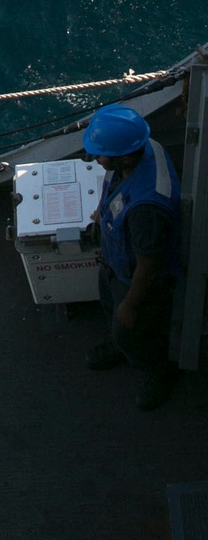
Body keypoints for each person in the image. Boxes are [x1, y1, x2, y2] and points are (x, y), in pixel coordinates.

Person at [84, 104, 181, 410]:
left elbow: (149, 268)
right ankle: (120, 345)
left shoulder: (147, 209)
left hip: (136, 279)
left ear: (124, 157)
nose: (95, 160)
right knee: (111, 308)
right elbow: (117, 186)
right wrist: (104, 211)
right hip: (116, 261)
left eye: (101, 155)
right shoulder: (143, 146)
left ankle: (157, 370)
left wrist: (131, 302)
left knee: (134, 328)